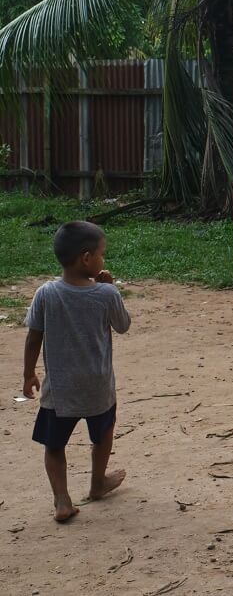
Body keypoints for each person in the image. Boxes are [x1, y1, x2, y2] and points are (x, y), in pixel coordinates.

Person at [22, 221, 131, 522]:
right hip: (98, 388)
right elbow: (123, 326)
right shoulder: (106, 294)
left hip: (59, 392)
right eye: (101, 254)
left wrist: (28, 373)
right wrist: (110, 288)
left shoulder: (46, 293)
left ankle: (62, 500)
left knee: (54, 445)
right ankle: (98, 482)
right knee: (103, 434)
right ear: (86, 258)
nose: (102, 260)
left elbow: (34, 336)